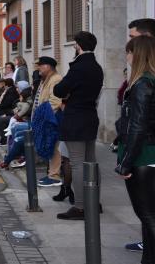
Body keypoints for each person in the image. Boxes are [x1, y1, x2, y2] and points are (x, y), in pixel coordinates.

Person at [53, 32, 104, 220]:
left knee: (77, 163)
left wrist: (67, 93)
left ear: (79, 45)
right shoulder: (97, 67)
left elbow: (59, 90)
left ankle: (81, 207)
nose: (74, 47)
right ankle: (94, 202)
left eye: (75, 44)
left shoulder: (79, 67)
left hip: (76, 118)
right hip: (90, 116)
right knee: (91, 162)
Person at [116, 35, 155, 264]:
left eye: (129, 52)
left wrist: (126, 163)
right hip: (148, 154)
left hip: (143, 157)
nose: (127, 57)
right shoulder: (148, 81)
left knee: (148, 215)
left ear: (137, 54)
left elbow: (138, 126)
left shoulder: (142, 84)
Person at [32, 56, 63, 187]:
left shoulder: (56, 79)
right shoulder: (45, 79)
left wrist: (41, 116)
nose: (38, 68)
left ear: (48, 66)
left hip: (52, 119)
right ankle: (51, 173)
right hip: (45, 118)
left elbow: (55, 102)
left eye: (41, 65)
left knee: (55, 147)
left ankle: (54, 176)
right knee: (50, 146)